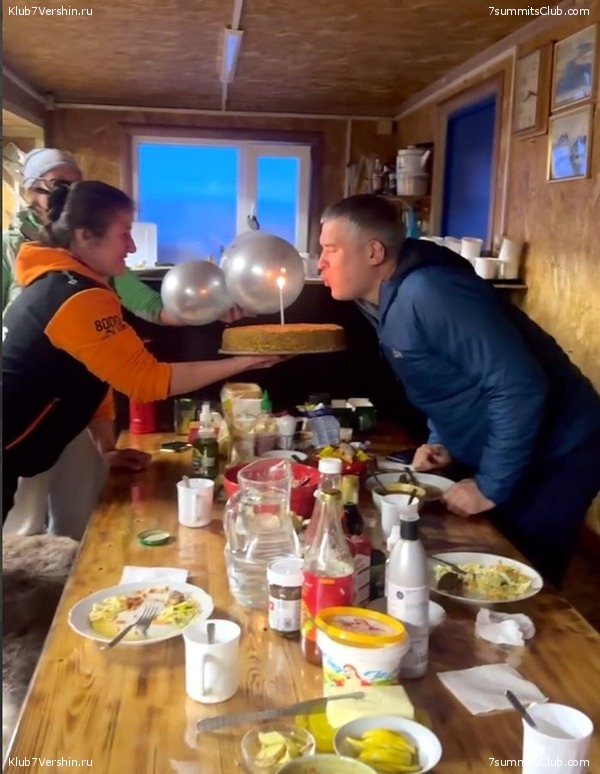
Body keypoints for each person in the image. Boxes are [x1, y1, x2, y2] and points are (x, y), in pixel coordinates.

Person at [318, 194, 600, 586]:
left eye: (331, 249)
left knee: (517, 579)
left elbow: (519, 387)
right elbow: (445, 381)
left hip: (560, 448)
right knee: (485, 568)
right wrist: (442, 442)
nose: (321, 262)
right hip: (520, 442)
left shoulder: (430, 292)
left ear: (373, 252)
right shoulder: (382, 299)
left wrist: (490, 486)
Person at [2, 180, 282, 524]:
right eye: (124, 234)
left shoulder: (72, 282)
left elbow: (96, 376)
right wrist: (244, 363)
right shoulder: (76, 297)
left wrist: (107, 450)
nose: (132, 246)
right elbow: (147, 381)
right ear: (85, 236)